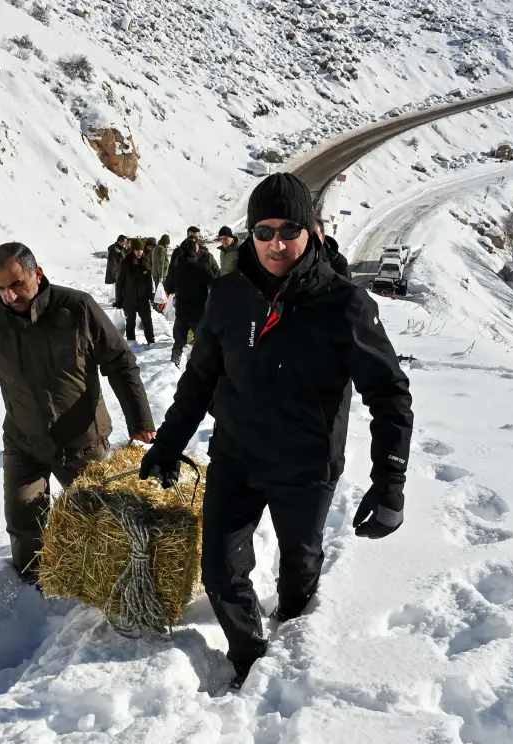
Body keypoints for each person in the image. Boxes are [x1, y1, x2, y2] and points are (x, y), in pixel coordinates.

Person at [138, 173, 414, 689]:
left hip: (306, 467)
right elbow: (199, 381)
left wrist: (390, 482)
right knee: (219, 571)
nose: (276, 243)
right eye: (263, 231)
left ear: (311, 229)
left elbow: (389, 395)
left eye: (289, 229)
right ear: (249, 234)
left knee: (299, 569)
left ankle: (293, 614)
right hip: (237, 459)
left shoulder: (344, 304)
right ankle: (250, 656)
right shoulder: (227, 295)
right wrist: (169, 446)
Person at [0, 242, 156, 583]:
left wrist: (140, 420)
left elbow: (120, 363)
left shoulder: (77, 307)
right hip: (24, 442)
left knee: (102, 522)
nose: (9, 296)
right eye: (0, 288)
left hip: (82, 441)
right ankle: (33, 589)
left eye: (16, 284)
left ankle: (108, 584)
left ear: (37, 274)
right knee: (24, 523)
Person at [164, 236, 219, 367]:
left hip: (183, 309)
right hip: (199, 309)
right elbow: (214, 279)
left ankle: (174, 365)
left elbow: (168, 286)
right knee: (202, 341)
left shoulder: (178, 263)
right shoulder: (202, 264)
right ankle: (201, 365)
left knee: (179, 340)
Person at [116, 238, 155, 345]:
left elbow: (149, 281)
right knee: (130, 322)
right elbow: (119, 282)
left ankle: (151, 341)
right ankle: (131, 342)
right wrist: (119, 299)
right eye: (137, 250)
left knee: (147, 321)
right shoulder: (126, 263)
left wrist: (151, 294)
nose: (140, 252)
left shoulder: (146, 261)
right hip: (129, 298)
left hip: (143, 298)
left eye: (141, 250)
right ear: (133, 250)